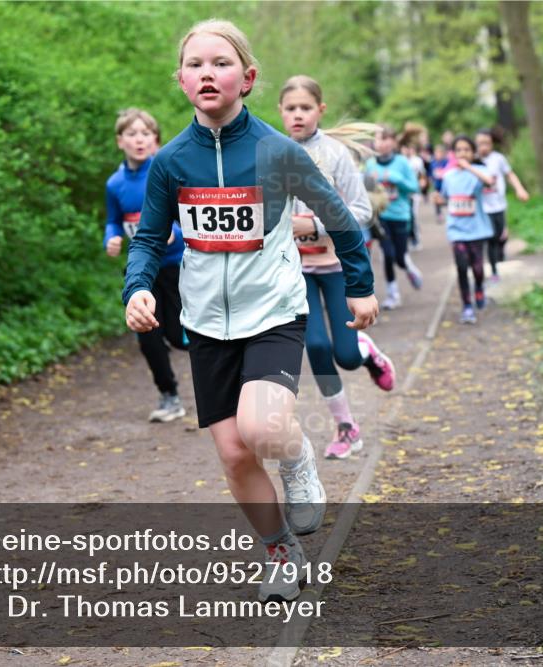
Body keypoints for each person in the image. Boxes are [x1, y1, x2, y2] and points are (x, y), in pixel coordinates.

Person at [121, 20, 378, 602]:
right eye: (195, 65)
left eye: (221, 63)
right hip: (206, 320)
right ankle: (282, 552)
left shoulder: (278, 151)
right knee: (234, 453)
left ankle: (299, 458)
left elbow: (338, 217)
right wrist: (137, 288)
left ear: (248, 77)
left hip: (275, 310)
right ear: (181, 80)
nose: (207, 73)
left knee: (263, 427)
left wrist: (359, 286)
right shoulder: (170, 162)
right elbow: (148, 239)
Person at [278, 75, 396, 461]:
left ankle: (366, 351)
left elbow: (362, 211)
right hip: (296, 270)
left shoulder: (334, 154)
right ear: (280, 112)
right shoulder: (270, 152)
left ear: (320, 111)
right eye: (291, 108)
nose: (298, 115)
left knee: (344, 355)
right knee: (315, 346)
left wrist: (313, 225)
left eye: (305, 108)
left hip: (337, 265)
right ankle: (346, 427)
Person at [104, 108, 188, 422]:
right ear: (120, 141)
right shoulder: (115, 184)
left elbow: (186, 218)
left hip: (177, 265)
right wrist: (110, 239)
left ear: (155, 141)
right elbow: (113, 222)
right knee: (147, 335)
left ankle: (227, 369)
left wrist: (174, 232)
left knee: (181, 336)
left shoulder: (166, 173)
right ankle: (169, 396)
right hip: (142, 271)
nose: (139, 140)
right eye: (132, 134)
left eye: (145, 134)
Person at [437, 136, 495, 324]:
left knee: (477, 269)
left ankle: (479, 287)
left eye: (467, 150)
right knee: (462, 268)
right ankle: (467, 307)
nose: (463, 153)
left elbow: (489, 182)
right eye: (459, 150)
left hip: (476, 230)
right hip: (457, 230)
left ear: (473, 152)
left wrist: (468, 167)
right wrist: (439, 200)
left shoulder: (479, 171)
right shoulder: (448, 176)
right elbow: (447, 198)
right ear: (453, 153)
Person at [364, 125, 421, 310]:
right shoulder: (370, 164)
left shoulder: (402, 162)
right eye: (379, 139)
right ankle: (393, 294)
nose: (381, 143)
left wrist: (396, 179)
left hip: (401, 216)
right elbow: (364, 189)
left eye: (386, 138)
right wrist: (369, 182)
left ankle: (408, 267)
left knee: (399, 257)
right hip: (381, 216)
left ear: (393, 142)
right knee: (387, 254)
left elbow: (414, 188)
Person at [475, 129, 529, 282]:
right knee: (491, 239)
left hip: (499, 205)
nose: (483, 147)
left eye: (486, 143)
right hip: (483, 208)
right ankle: (494, 271)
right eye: (480, 144)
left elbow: (510, 174)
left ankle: (500, 256)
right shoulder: (473, 161)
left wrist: (520, 189)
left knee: (501, 237)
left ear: (492, 144)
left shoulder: (498, 159)